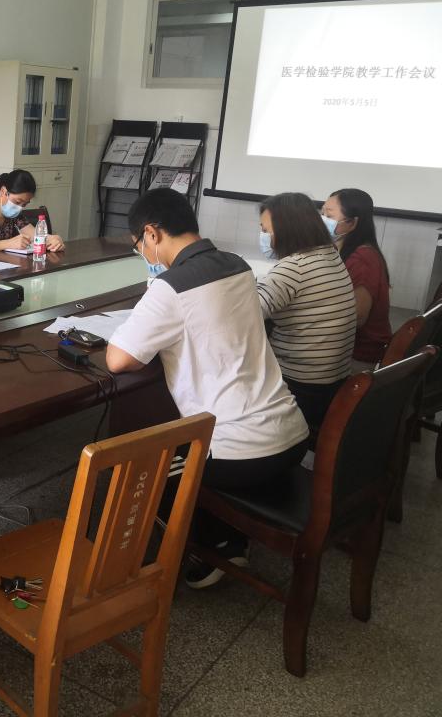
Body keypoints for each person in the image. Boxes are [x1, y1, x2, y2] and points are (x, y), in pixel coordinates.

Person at [106, 189, 309, 589]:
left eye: (139, 245)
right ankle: (225, 530)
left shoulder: (171, 286)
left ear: (151, 233)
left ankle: (212, 545)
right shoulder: (237, 266)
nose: (143, 253)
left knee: (143, 464)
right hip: (292, 433)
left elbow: (118, 360)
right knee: (182, 436)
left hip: (243, 451)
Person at [257, 192, 357, 427]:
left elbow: (247, 316)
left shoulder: (294, 267)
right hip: (333, 381)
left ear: (287, 230)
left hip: (300, 387)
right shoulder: (329, 253)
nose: (263, 236)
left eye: (265, 230)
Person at [322, 188, 392, 370]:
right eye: (322, 214)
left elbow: (357, 317)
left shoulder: (362, 259)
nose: (322, 220)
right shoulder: (344, 250)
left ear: (352, 222)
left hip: (357, 355)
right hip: (342, 346)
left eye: (329, 216)